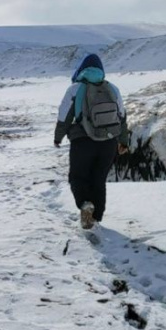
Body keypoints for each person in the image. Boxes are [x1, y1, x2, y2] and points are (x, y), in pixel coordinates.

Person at [54, 54, 128, 229]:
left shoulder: (75, 88)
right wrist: (123, 141)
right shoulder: (112, 88)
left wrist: (58, 137)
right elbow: (122, 116)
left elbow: (64, 117)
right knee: (98, 179)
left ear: (81, 69)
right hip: (109, 141)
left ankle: (85, 205)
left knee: (77, 177)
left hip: (82, 140)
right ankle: (97, 217)